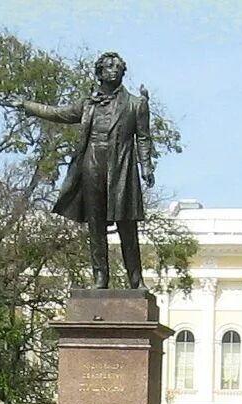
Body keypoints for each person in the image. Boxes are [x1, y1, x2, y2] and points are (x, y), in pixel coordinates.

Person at [15, 51, 154, 290]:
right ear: (100, 72)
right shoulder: (88, 103)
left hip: (121, 168)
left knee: (127, 226)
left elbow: (143, 137)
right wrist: (28, 106)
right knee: (95, 225)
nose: (114, 70)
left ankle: (136, 280)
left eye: (118, 67)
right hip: (92, 165)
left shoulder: (136, 104)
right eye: (109, 66)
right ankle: (100, 277)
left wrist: (146, 165)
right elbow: (59, 113)